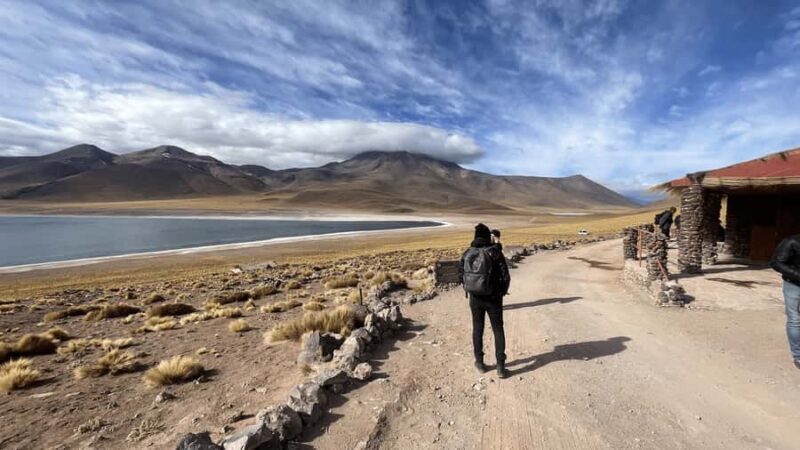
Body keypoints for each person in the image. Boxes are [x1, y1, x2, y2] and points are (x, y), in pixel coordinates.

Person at [459, 223, 511, 378]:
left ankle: (480, 363)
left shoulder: (467, 253)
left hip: (475, 298)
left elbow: (460, 275)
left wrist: (470, 289)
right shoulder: (495, 252)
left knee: (477, 329)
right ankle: (501, 367)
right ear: (488, 236)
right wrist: (501, 292)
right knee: (498, 329)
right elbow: (506, 276)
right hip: (493, 298)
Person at [770, 234, 800, 369]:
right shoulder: (792, 241)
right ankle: (798, 355)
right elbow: (776, 262)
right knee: (795, 319)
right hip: (794, 285)